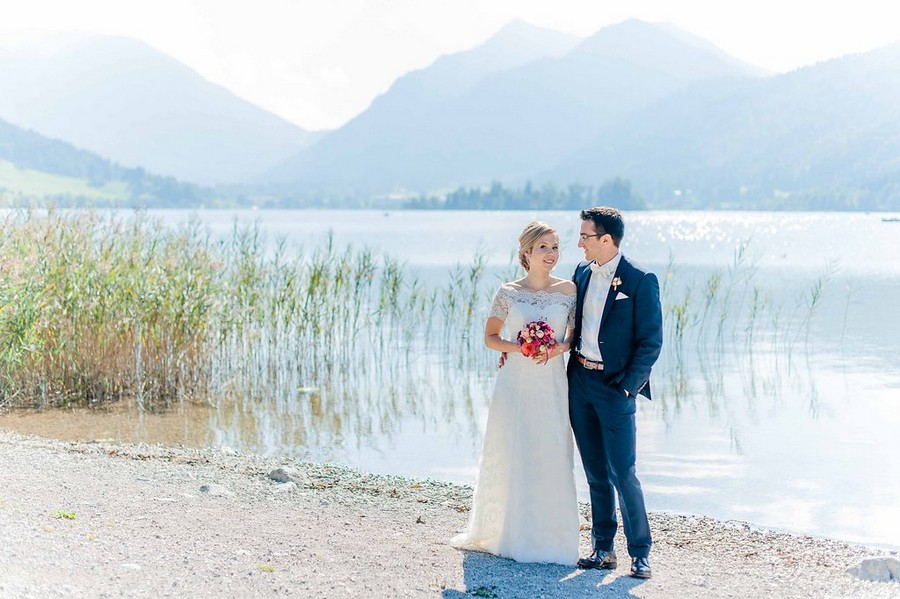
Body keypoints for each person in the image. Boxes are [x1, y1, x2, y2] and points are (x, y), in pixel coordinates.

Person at [451, 221, 580, 564]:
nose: (551, 254)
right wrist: (519, 346)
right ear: (526, 252)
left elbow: (572, 338)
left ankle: (551, 536)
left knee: (550, 448)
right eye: (543, 248)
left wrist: (555, 349)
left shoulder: (568, 290)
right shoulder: (508, 292)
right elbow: (490, 337)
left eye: (555, 247)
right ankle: (507, 532)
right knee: (514, 446)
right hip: (515, 382)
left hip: (550, 379)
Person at [567, 206, 663, 579]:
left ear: (606, 239)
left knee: (623, 472)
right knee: (594, 472)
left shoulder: (640, 279)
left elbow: (650, 342)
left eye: (585, 236)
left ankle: (640, 553)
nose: (579, 243)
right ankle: (602, 549)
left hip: (614, 387)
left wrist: (626, 387)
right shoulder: (581, 273)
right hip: (579, 382)